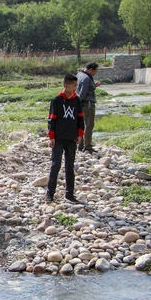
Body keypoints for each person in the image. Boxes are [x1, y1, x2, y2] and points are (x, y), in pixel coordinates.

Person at [46, 74, 84, 203]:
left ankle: (69, 194)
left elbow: (80, 118)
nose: (75, 88)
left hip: (72, 139)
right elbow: (51, 119)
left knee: (70, 166)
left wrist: (80, 134)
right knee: (55, 165)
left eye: (76, 86)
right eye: (74, 86)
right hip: (58, 139)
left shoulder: (77, 100)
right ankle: (50, 194)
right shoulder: (56, 100)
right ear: (66, 85)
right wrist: (51, 137)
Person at [76, 62, 100, 153]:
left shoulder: (80, 74)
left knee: (81, 125)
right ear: (90, 70)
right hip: (87, 104)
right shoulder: (86, 78)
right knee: (89, 125)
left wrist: (94, 86)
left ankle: (80, 145)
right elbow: (83, 93)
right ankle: (87, 146)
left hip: (82, 104)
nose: (95, 73)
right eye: (95, 71)